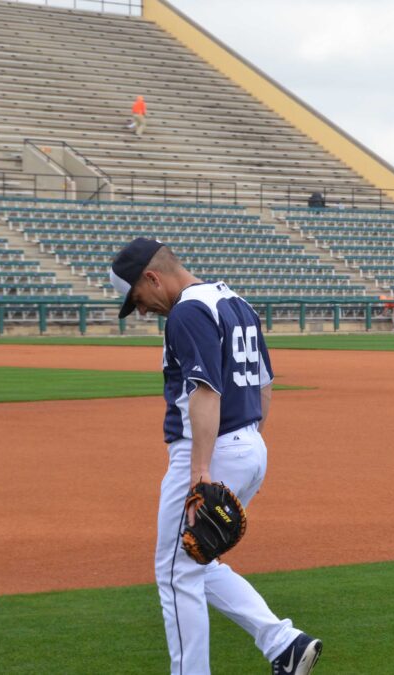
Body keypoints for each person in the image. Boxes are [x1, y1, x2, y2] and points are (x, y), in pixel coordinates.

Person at [109, 238, 321, 675]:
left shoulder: (188, 311)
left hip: (210, 450)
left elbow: (206, 390)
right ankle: (284, 643)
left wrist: (202, 470)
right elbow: (264, 384)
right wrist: (247, 444)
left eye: (138, 299)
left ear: (152, 277)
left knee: (175, 576)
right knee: (198, 558)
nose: (143, 311)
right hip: (249, 445)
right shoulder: (235, 302)